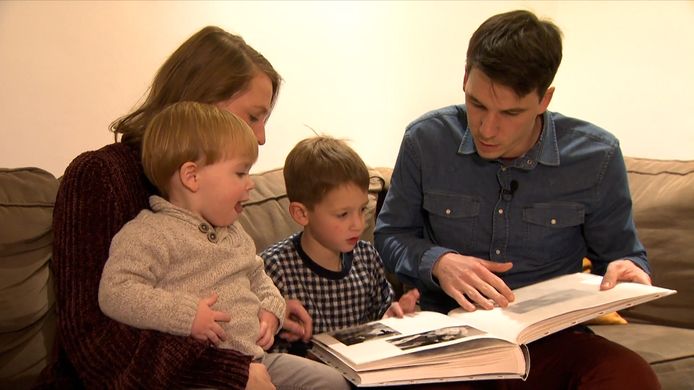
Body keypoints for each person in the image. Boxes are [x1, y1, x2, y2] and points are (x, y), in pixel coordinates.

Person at [374, 9, 660, 389]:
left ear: (544, 99)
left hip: (551, 340)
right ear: (464, 79)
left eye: (510, 113)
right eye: (477, 104)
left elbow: (624, 258)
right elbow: (390, 234)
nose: (487, 129)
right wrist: (439, 261)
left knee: (629, 376)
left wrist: (628, 270)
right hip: (449, 335)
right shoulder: (425, 141)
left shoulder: (597, 157)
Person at [42, 26, 307, 390]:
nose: (261, 137)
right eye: (252, 117)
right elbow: (93, 343)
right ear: (202, 103)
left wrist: (262, 310)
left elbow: (236, 273)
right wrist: (226, 371)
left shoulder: (220, 200)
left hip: (238, 357)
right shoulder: (100, 177)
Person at [98, 102, 350, 389]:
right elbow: (116, 291)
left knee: (329, 381)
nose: (250, 184)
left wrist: (271, 309)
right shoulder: (150, 232)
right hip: (201, 374)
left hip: (256, 360)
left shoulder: (234, 233)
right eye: (241, 173)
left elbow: (260, 278)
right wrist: (186, 315)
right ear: (192, 177)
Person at [261, 136, 419, 356]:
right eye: (343, 214)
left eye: (362, 210)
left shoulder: (367, 256)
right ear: (302, 213)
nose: (359, 224)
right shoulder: (274, 269)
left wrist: (394, 315)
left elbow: (381, 313)